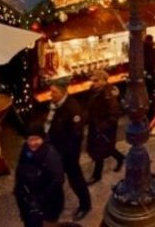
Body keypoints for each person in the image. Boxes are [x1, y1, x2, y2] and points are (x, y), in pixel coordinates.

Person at [45, 81, 90, 221]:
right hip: (55, 150)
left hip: (67, 154)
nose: (51, 95)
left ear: (63, 92)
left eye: (54, 92)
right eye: (51, 92)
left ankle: (85, 205)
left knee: (75, 179)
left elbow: (76, 136)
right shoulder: (56, 105)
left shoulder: (72, 109)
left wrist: (66, 154)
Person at [15, 123, 64, 227]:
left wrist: (40, 199)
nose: (32, 143)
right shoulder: (26, 148)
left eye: (36, 139)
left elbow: (58, 179)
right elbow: (20, 168)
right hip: (30, 201)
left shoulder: (50, 154)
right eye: (30, 139)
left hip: (49, 204)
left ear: (42, 138)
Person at [85, 71, 124, 185]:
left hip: (104, 128)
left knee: (100, 150)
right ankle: (120, 158)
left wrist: (102, 127)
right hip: (96, 124)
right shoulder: (94, 91)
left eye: (96, 81)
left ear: (103, 81)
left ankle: (97, 175)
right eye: (93, 80)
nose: (94, 83)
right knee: (107, 148)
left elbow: (114, 114)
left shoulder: (108, 95)